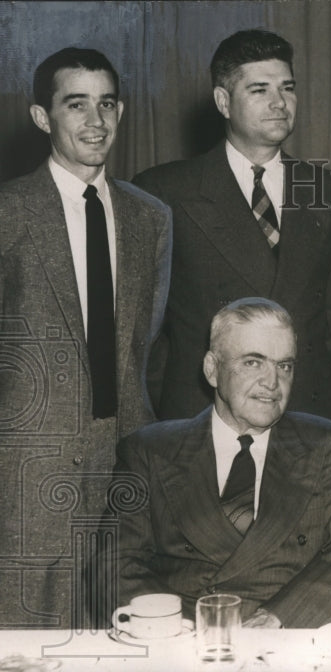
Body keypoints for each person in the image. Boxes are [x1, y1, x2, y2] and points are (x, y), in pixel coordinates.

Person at [0, 47, 171, 628]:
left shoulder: (149, 218)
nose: (95, 121)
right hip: (29, 469)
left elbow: (146, 344)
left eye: (107, 104)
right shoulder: (9, 211)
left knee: (123, 633)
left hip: (126, 462)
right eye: (77, 105)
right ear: (43, 118)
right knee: (28, 639)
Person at [133, 29, 331, 423]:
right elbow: (144, 331)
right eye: (259, 90)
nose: (279, 102)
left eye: (287, 87)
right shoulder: (164, 191)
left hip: (304, 413)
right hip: (201, 416)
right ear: (223, 101)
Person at [109, 298, 331, 628]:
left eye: (284, 366)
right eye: (253, 363)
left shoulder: (326, 448)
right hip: (182, 640)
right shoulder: (151, 451)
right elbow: (115, 561)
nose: (272, 383)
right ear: (212, 369)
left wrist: (278, 618)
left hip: (288, 637)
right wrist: (175, 626)